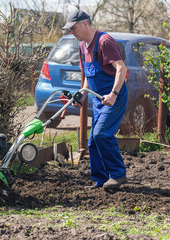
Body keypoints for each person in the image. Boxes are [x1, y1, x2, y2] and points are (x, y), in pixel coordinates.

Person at [62, 10, 128, 190]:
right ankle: (101, 180)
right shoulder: (82, 46)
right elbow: (88, 76)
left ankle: (118, 174)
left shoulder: (104, 42)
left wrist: (114, 94)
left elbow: (121, 69)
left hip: (115, 96)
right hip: (99, 100)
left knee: (102, 135)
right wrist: (82, 96)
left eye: (74, 28)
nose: (72, 33)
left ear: (85, 24)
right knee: (92, 141)